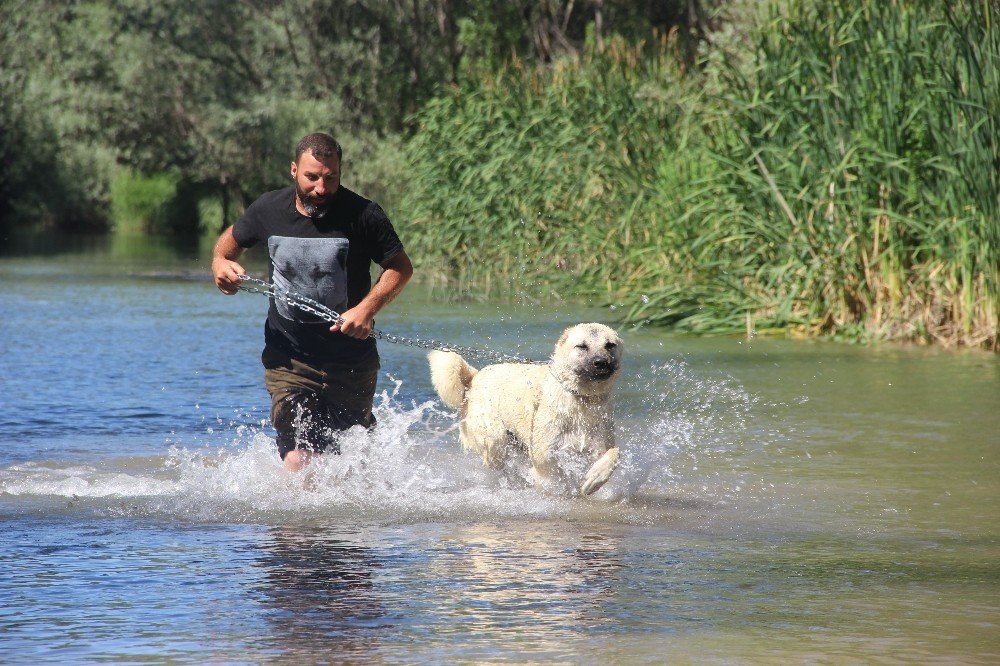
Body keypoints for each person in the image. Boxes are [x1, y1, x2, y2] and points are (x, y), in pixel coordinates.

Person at [212, 132, 413, 472]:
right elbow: (226, 246)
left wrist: (367, 308)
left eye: (330, 178)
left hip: (352, 362)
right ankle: (295, 527)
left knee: (350, 463)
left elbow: (400, 268)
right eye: (312, 177)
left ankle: (343, 525)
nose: (321, 187)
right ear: (294, 170)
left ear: (340, 173)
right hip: (289, 362)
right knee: (299, 457)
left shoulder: (364, 214)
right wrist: (220, 265)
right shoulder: (268, 210)